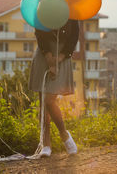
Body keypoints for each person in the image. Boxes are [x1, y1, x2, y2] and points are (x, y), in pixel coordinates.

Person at [29, 19, 79, 157]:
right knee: (43, 103)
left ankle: (64, 135)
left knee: (50, 100)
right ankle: (46, 145)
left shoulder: (71, 10)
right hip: (44, 55)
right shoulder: (43, 4)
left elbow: (74, 36)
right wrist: (48, 56)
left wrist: (61, 57)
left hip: (62, 55)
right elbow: (39, 31)